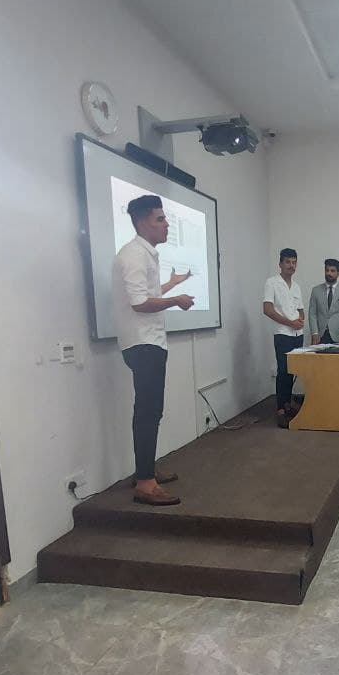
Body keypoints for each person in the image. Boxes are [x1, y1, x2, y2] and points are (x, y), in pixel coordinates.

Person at [113, 195, 194, 506]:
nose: (167, 225)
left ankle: (145, 471)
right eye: (160, 219)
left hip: (149, 342)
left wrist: (171, 285)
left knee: (151, 410)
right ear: (142, 222)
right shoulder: (134, 255)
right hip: (143, 343)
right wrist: (176, 300)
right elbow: (138, 303)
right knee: (148, 411)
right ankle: (145, 484)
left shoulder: (145, 254)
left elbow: (147, 294)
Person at [262, 248, 304, 427]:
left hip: (297, 334)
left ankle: (287, 405)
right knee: (283, 371)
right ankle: (280, 409)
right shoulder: (271, 283)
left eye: (294, 262)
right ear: (280, 264)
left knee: (293, 371)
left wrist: (300, 320)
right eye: (288, 262)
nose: (291, 265)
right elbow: (267, 309)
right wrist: (289, 322)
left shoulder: (296, 286)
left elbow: (300, 309)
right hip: (282, 333)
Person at [306, 258, 339, 345]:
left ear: (338, 273)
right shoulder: (316, 290)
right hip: (320, 337)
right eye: (327, 270)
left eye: (332, 271)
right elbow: (312, 314)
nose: (329, 273)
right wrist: (314, 333)